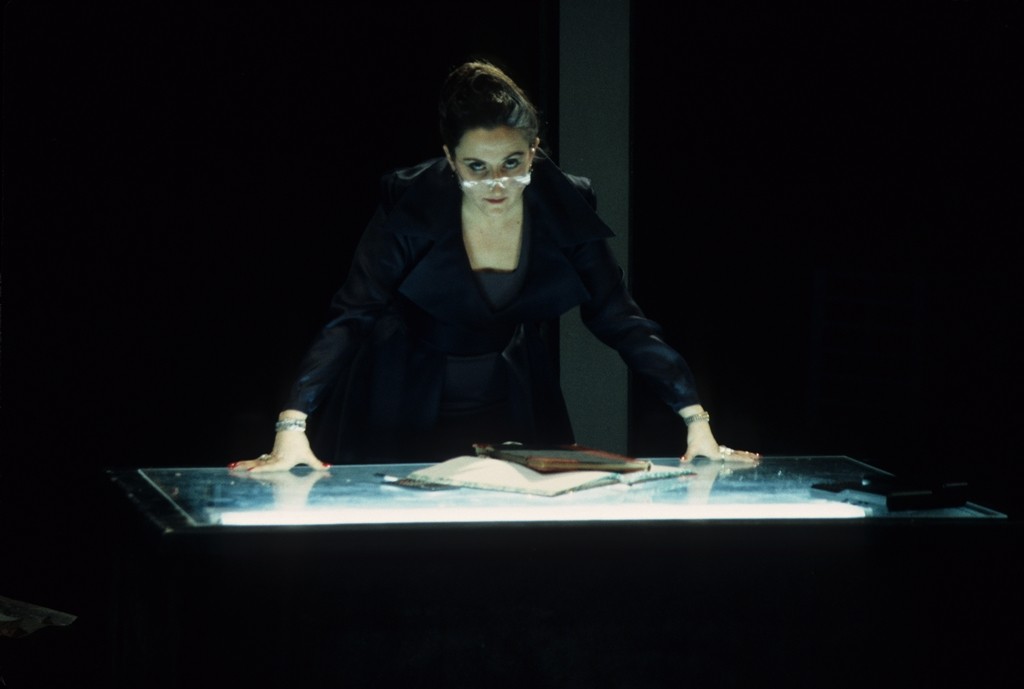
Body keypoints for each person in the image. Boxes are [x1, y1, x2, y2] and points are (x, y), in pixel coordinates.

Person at [230, 61, 758, 473]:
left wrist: (695, 421)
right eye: (475, 167)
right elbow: (352, 315)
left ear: (534, 150)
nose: (497, 184)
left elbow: (619, 317)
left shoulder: (562, 202)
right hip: (402, 395)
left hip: (511, 395)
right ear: (449, 157)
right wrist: (291, 426)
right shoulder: (410, 201)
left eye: (513, 163)